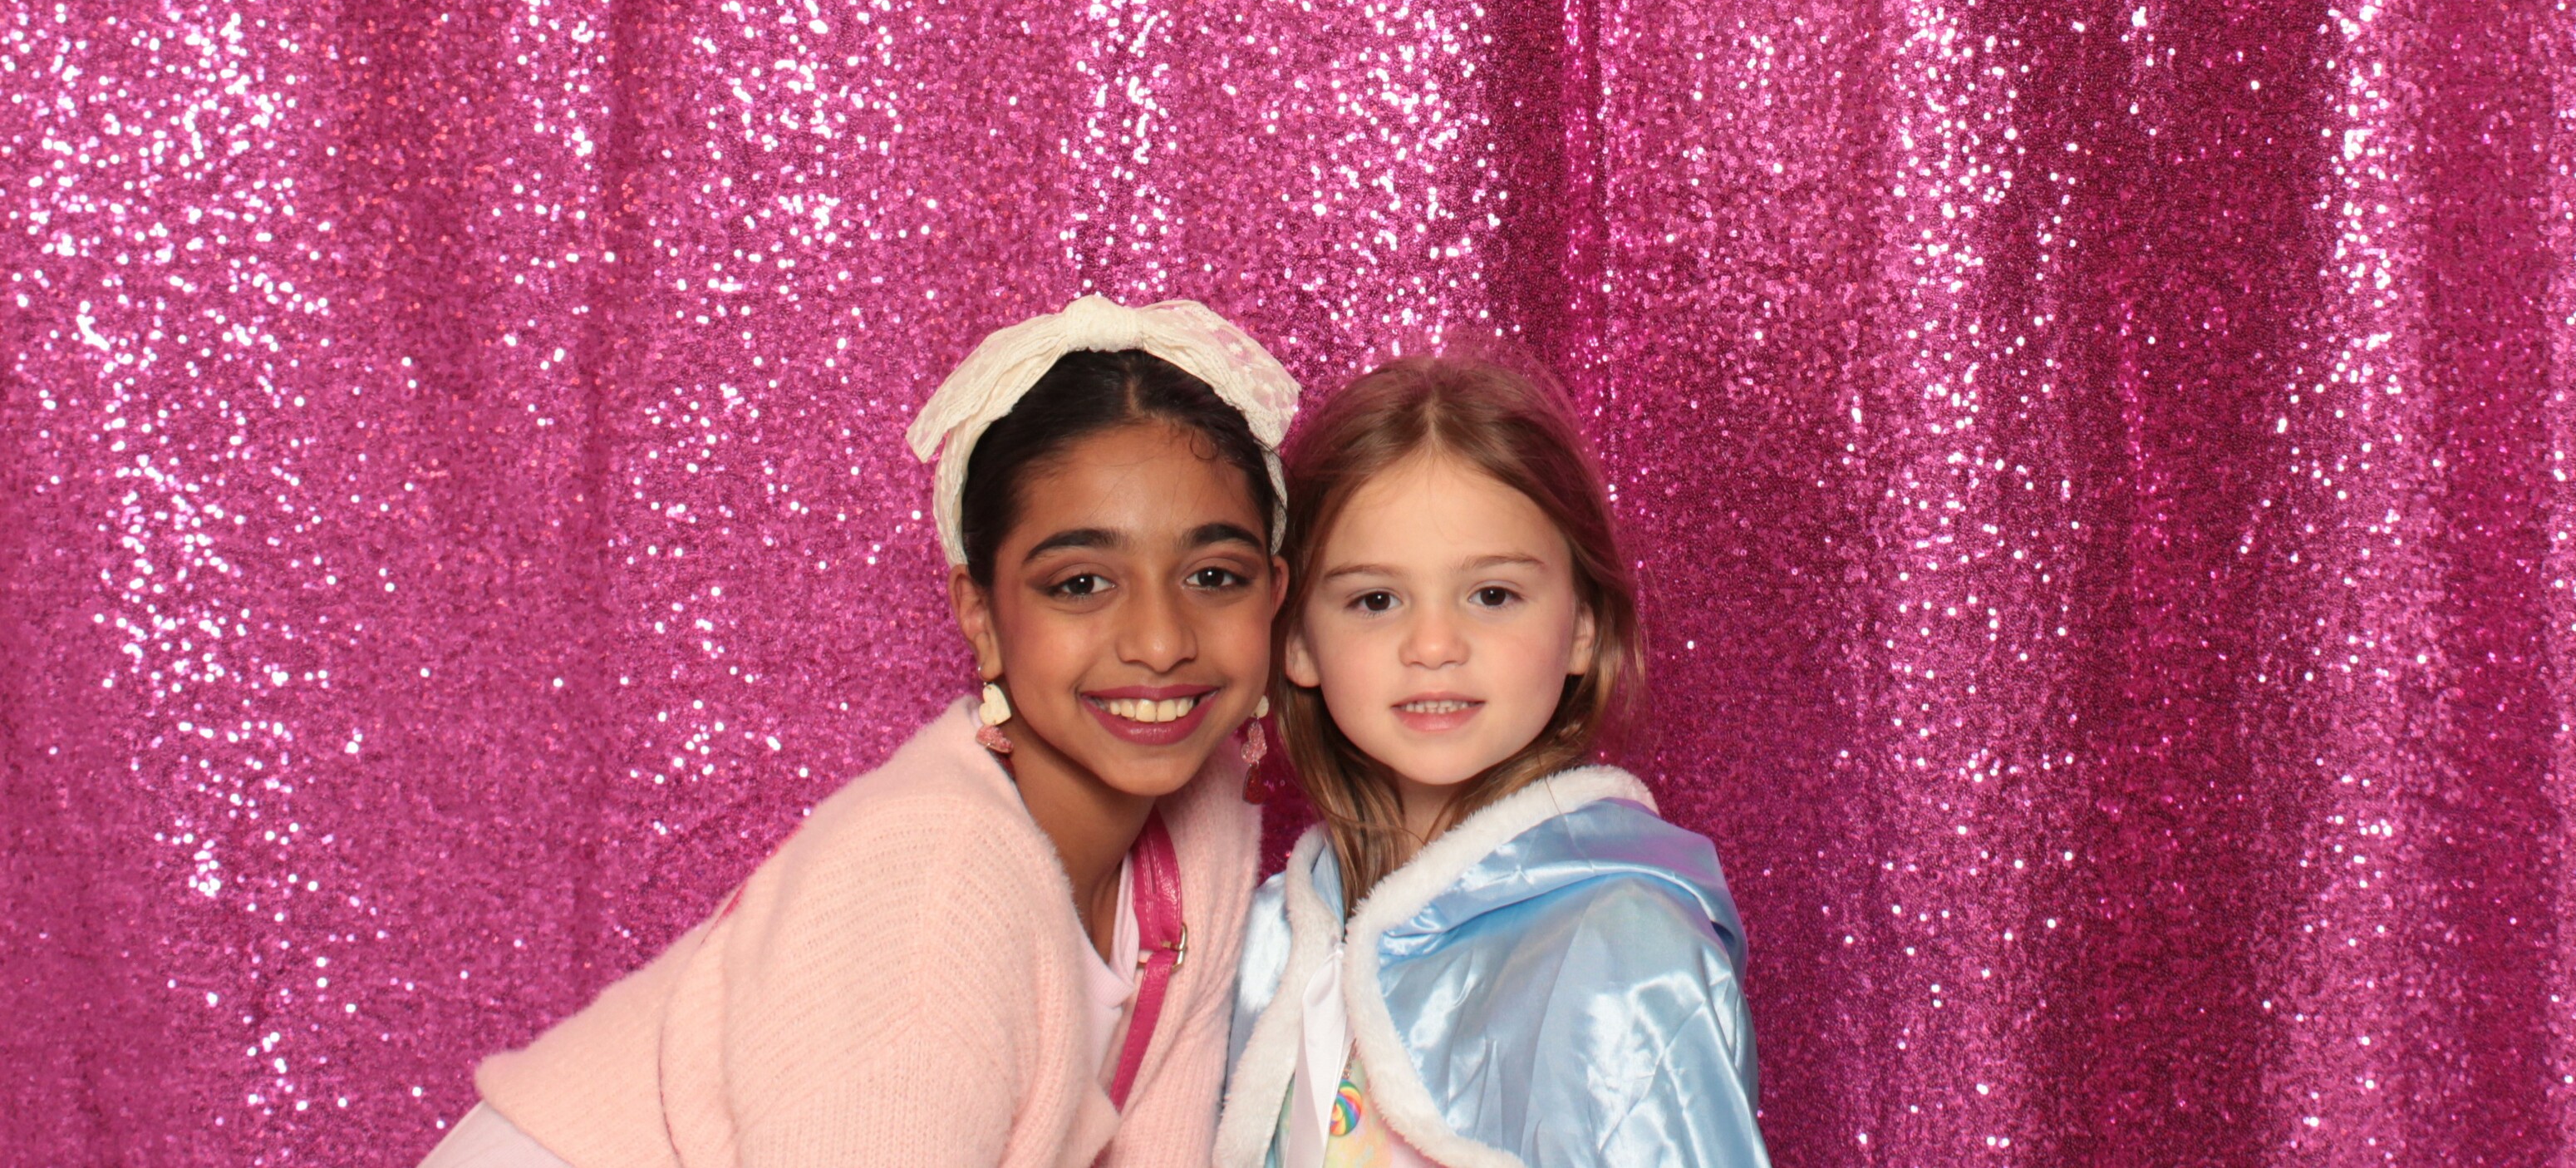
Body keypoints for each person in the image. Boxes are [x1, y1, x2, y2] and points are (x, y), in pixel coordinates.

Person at [422, 298, 1295, 1168]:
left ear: (1276, 595)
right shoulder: (933, 882)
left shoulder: (1208, 815)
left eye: (1214, 575)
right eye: (1079, 583)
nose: (1159, 641)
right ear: (981, 616)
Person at [1214, 351, 1763, 1168]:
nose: (1434, 645)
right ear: (1296, 639)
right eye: (1375, 599)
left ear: (1582, 627)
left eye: (1493, 594)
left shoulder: (1627, 951)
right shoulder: (1264, 940)